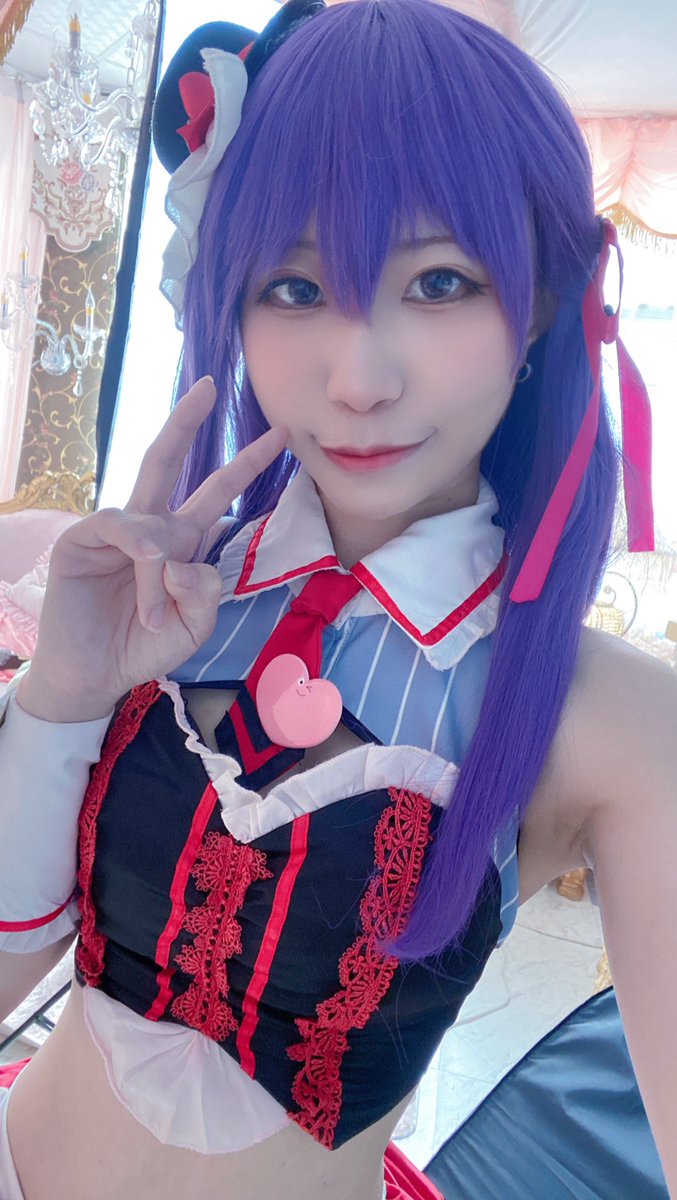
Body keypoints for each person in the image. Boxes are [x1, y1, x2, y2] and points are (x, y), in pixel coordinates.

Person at [0, 1, 675, 1198]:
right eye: (296, 287)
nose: (357, 380)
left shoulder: (607, 720)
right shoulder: (159, 586)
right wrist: (60, 695)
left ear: (536, 307)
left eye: (438, 280)